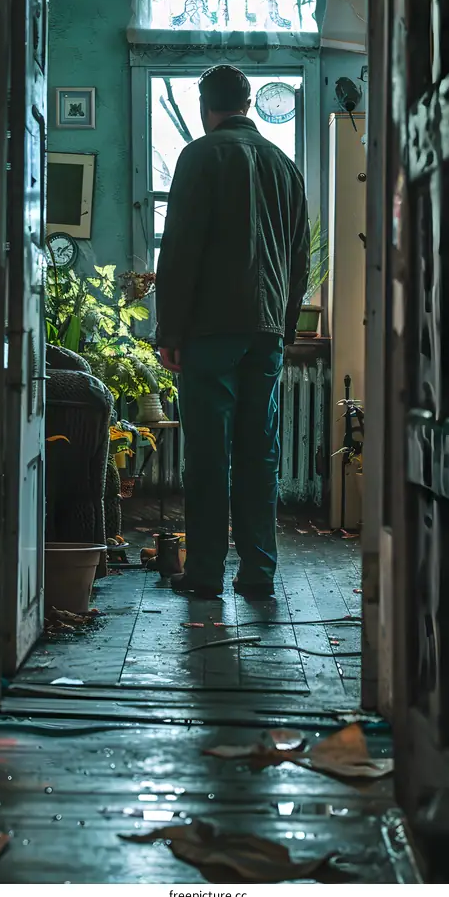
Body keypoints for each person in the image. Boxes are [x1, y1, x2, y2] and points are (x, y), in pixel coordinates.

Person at [155, 65, 310, 600]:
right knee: (258, 453)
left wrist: (168, 328)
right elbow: (299, 258)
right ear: (247, 103)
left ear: (206, 108)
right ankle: (258, 574)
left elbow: (179, 250)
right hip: (265, 330)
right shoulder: (285, 165)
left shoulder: (199, 156)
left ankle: (204, 574)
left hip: (208, 330)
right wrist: (284, 328)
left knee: (207, 454)